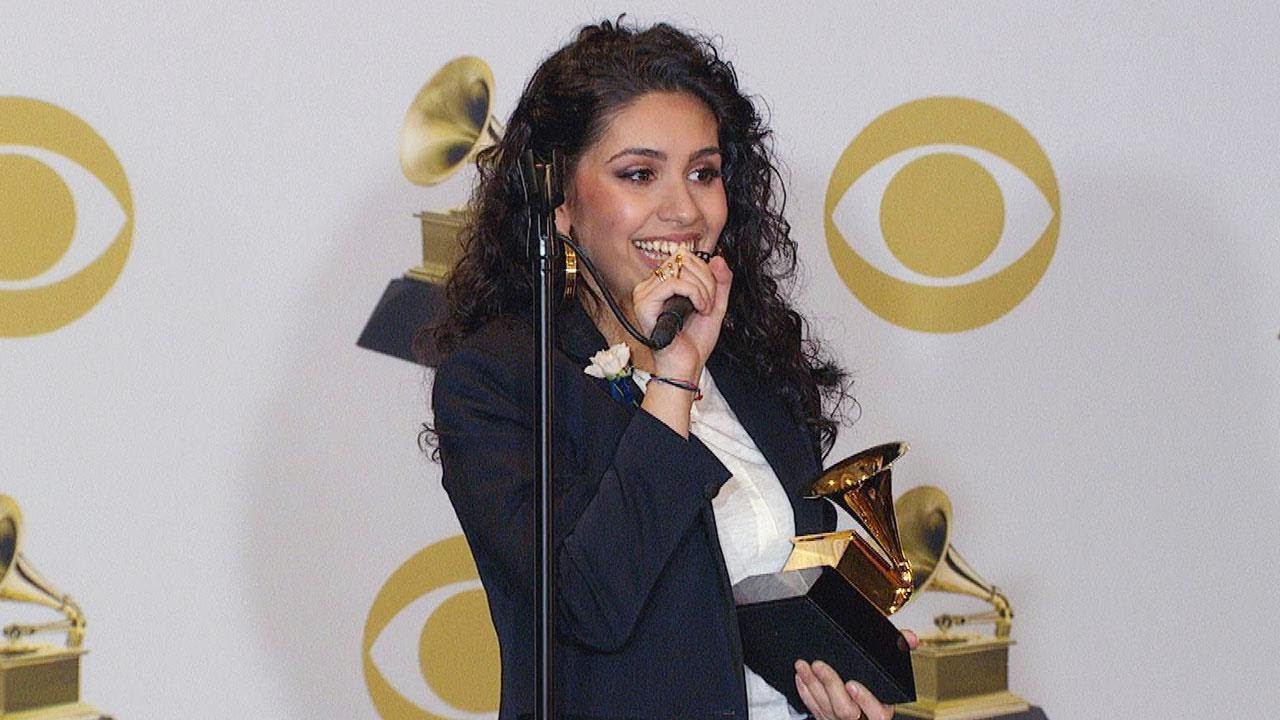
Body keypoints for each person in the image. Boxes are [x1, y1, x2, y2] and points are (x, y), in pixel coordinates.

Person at [428, 19, 914, 720]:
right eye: (639, 174)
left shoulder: (753, 368)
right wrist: (674, 377)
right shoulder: (500, 382)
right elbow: (589, 604)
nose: (684, 209)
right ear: (561, 204)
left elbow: (786, 605)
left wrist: (851, 678)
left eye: (703, 173)